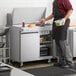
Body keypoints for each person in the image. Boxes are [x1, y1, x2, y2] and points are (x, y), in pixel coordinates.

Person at [39, 0, 73, 68]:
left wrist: (64, 18)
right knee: (57, 42)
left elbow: (70, 10)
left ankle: (69, 62)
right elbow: (53, 14)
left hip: (63, 22)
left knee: (63, 42)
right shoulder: (54, 2)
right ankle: (61, 61)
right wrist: (45, 19)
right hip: (56, 22)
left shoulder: (65, 0)